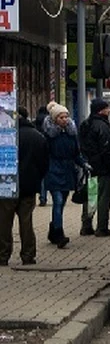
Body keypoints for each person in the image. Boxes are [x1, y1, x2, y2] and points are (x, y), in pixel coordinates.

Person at [0, 108, 48, 266]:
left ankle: (3, 256)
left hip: (7, 184)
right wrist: (36, 179)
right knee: (26, 222)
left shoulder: (5, 136)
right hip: (29, 186)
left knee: (4, 222)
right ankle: (28, 255)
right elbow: (44, 164)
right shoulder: (38, 137)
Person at [41, 102, 81, 248]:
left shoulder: (71, 134)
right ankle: (59, 233)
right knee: (57, 201)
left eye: (66, 116)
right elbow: (44, 154)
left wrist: (84, 164)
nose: (65, 120)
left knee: (62, 202)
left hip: (67, 171)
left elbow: (76, 153)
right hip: (53, 170)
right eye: (61, 117)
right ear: (54, 119)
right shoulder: (48, 135)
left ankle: (53, 228)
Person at [79, 99, 110, 237]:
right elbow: (107, 149)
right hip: (103, 168)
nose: (109, 110)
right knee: (104, 198)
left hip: (90, 167)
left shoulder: (85, 124)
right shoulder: (103, 126)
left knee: (90, 196)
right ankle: (102, 227)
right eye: (106, 108)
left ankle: (86, 226)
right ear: (100, 110)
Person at [35, 106, 49, 206]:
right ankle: (44, 196)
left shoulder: (35, 122)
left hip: (38, 150)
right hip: (47, 151)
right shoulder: (49, 123)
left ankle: (42, 196)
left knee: (41, 177)